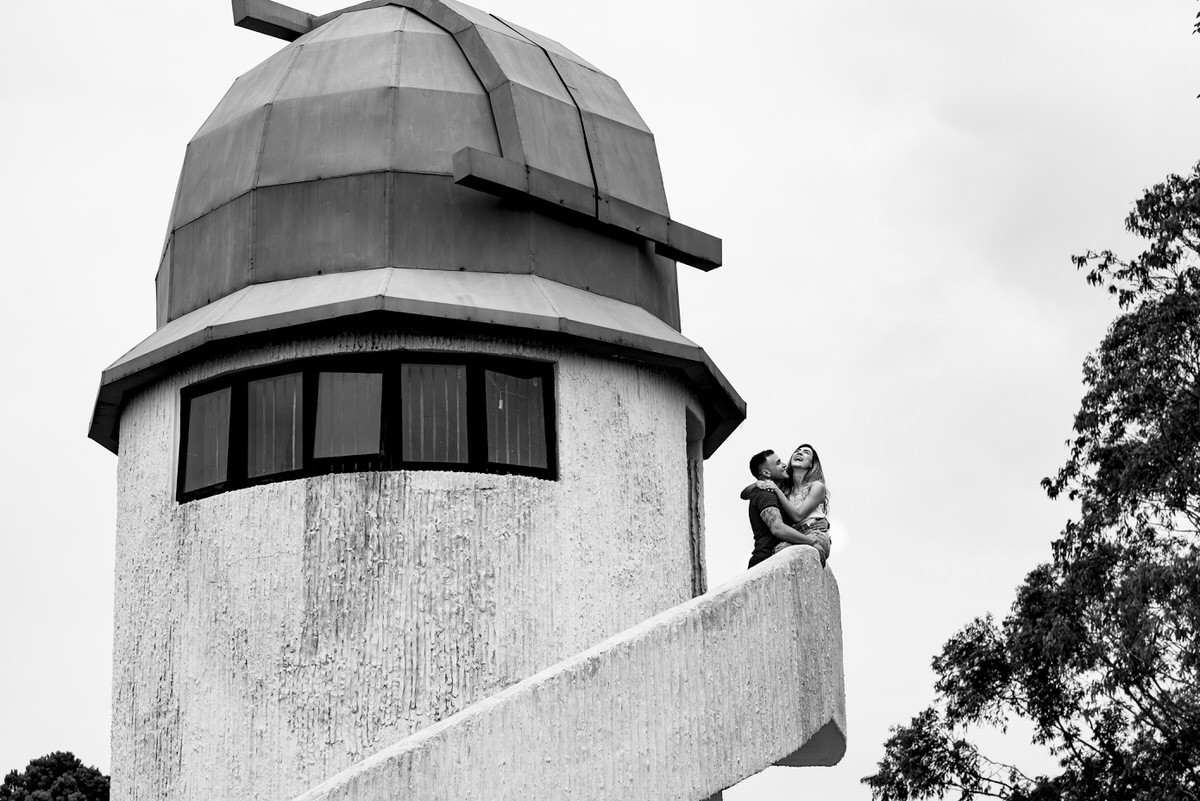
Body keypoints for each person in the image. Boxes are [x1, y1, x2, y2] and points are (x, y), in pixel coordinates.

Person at [741, 443, 832, 566]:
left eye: (806, 452)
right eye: (798, 450)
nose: (800, 452)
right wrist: (758, 483)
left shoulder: (816, 486)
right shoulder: (786, 487)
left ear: (811, 464)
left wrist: (777, 490)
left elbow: (798, 516)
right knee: (777, 551)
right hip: (798, 534)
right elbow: (744, 495)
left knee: (780, 552)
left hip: (815, 532)